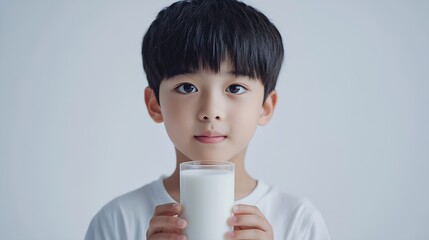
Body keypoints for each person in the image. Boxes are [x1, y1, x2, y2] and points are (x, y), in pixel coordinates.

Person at [85, 0, 331, 239]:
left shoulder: (298, 221)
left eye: (235, 88)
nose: (211, 111)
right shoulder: (118, 221)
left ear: (265, 107)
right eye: (187, 88)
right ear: (155, 105)